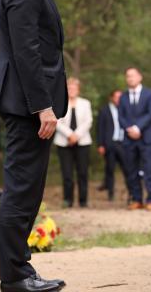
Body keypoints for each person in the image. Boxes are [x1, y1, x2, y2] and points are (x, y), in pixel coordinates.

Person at [0, 0, 75, 292]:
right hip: (27, 106)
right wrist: (43, 107)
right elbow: (27, 52)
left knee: (28, 190)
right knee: (21, 190)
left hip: (27, 104)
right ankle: (14, 276)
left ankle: (20, 270)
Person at [118, 67, 151, 211]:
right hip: (129, 139)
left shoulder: (149, 94)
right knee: (131, 170)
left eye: (133, 76)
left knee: (149, 169)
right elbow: (120, 117)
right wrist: (129, 129)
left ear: (140, 77)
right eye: (128, 76)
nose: (130, 78)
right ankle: (136, 199)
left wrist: (137, 128)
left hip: (146, 138)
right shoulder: (122, 97)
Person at [54, 77, 93, 208]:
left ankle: (83, 201)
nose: (72, 90)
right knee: (67, 174)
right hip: (63, 143)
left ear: (78, 89)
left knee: (82, 172)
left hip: (83, 142)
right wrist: (69, 135)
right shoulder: (59, 103)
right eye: (69, 87)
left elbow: (88, 121)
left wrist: (76, 135)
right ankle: (67, 200)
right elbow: (57, 121)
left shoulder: (85, 103)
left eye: (74, 87)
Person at [97, 89, 128, 201]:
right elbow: (100, 128)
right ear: (112, 98)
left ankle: (130, 191)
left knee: (127, 168)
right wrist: (100, 144)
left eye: (121, 97)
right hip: (110, 143)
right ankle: (110, 193)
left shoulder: (126, 109)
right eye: (117, 97)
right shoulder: (104, 110)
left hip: (123, 143)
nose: (119, 99)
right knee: (110, 169)